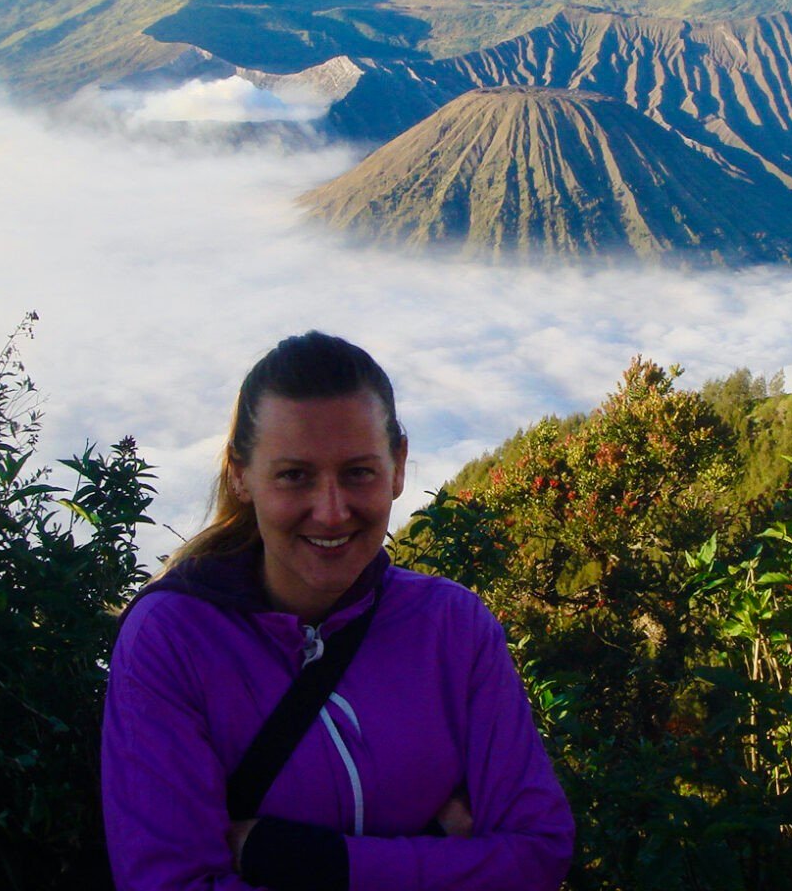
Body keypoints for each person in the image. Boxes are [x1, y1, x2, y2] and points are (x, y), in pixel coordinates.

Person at [102, 332, 574, 891]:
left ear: (398, 467)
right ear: (240, 475)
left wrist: (298, 859)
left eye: (358, 473)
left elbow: (537, 855)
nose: (331, 513)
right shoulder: (173, 640)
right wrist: (442, 858)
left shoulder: (452, 628)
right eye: (294, 475)